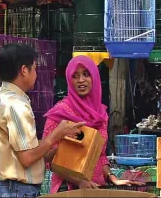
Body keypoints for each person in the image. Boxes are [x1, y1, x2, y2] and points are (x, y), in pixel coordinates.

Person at [0, 43, 85, 198]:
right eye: (35, 68)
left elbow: (27, 153)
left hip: (11, 188)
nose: (36, 74)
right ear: (24, 70)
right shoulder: (16, 105)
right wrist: (56, 135)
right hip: (17, 190)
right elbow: (27, 158)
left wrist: (59, 145)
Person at [43, 56, 144, 193]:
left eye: (86, 74)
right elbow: (49, 158)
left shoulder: (101, 115)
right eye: (75, 76)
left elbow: (100, 156)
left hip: (96, 187)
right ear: (69, 80)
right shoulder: (60, 113)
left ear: (94, 78)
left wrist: (112, 177)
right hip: (67, 188)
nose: (81, 80)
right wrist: (80, 181)